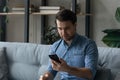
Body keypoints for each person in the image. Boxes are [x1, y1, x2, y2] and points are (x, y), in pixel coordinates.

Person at [39, 9, 98, 80]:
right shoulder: (55, 47)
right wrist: (45, 77)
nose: (63, 33)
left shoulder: (89, 45)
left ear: (75, 25)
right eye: (60, 29)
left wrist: (67, 69)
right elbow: (51, 71)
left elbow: (90, 74)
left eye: (67, 28)